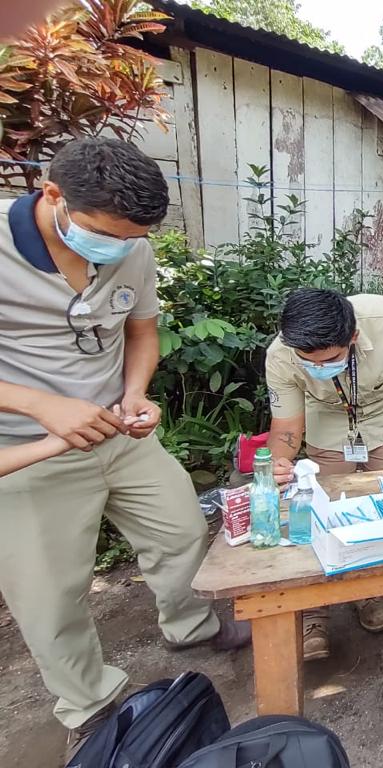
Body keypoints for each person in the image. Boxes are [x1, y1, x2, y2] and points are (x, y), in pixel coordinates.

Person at [0, 138, 251, 759]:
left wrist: (136, 392)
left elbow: (141, 330)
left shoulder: (131, 247)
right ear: (52, 194)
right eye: (109, 235)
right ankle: (88, 703)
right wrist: (39, 405)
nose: (122, 248)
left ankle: (190, 626)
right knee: (49, 592)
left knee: (181, 530)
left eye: (135, 238)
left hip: (119, 430)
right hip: (29, 447)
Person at [265, 287, 383, 661]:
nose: (319, 367)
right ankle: (315, 611)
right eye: (308, 361)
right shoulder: (281, 354)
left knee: (381, 508)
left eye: (330, 359)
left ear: (352, 337)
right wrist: (279, 464)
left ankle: (367, 592)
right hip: (326, 420)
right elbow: (286, 427)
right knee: (319, 510)